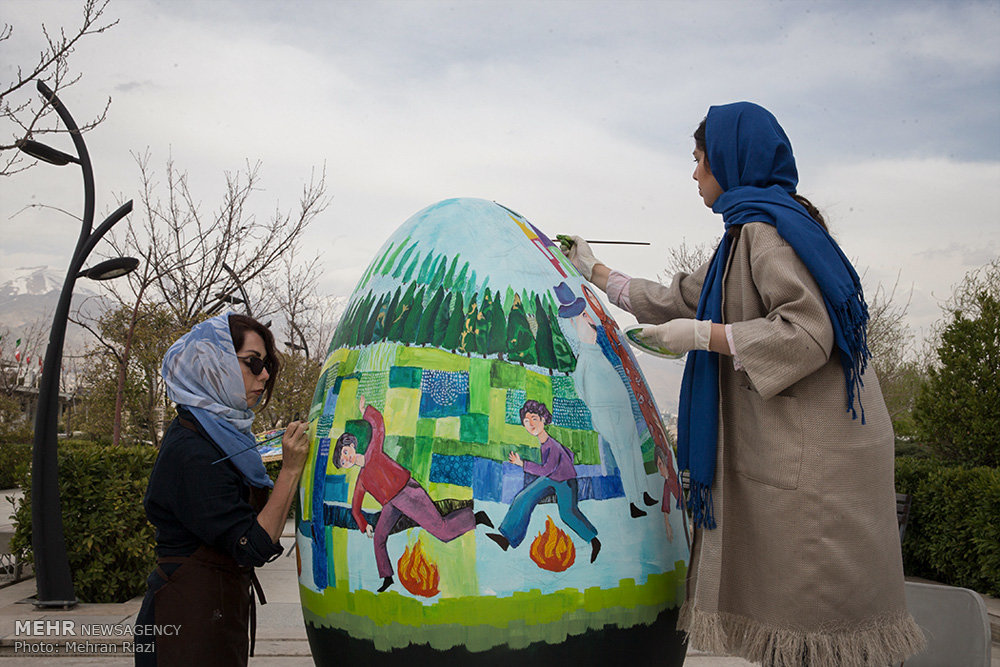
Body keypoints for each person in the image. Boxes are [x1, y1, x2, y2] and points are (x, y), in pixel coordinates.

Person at [562, 102, 924, 665]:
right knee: (798, 619)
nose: (694, 173)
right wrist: (598, 272)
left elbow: (807, 333)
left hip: (815, 462)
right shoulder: (748, 232)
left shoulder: (765, 231)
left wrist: (707, 336)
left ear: (727, 161)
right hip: (806, 451)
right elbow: (682, 297)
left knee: (812, 612)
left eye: (699, 159)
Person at [135, 313, 309, 666]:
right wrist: (290, 470)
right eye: (253, 363)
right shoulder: (194, 450)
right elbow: (252, 545)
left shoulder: (217, 435)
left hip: (211, 614)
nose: (264, 375)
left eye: (267, 365)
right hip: (185, 624)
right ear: (216, 364)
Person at [333, 395, 492, 593]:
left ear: (352, 446)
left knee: (442, 531)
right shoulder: (362, 480)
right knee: (379, 537)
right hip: (391, 504)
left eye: (345, 452)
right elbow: (355, 508)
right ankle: (387, 577)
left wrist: (366, 411)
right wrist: (364, 525)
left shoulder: (373, 452)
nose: (346, 458)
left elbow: (378, 426)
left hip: (407, 492)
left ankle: (474, 518)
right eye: (342, 459)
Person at [485, 400, 601, 563]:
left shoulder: (551, 445)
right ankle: (507, 538)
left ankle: (594, 540)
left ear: (543, 419)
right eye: (526, 421)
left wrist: (522, 464)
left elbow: (546, 469)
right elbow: (568, 456)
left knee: (567, 514)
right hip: (552, 479)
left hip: (566, 481)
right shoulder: (545, 443)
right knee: (523, 497)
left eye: (534, 419)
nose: (530, 424)